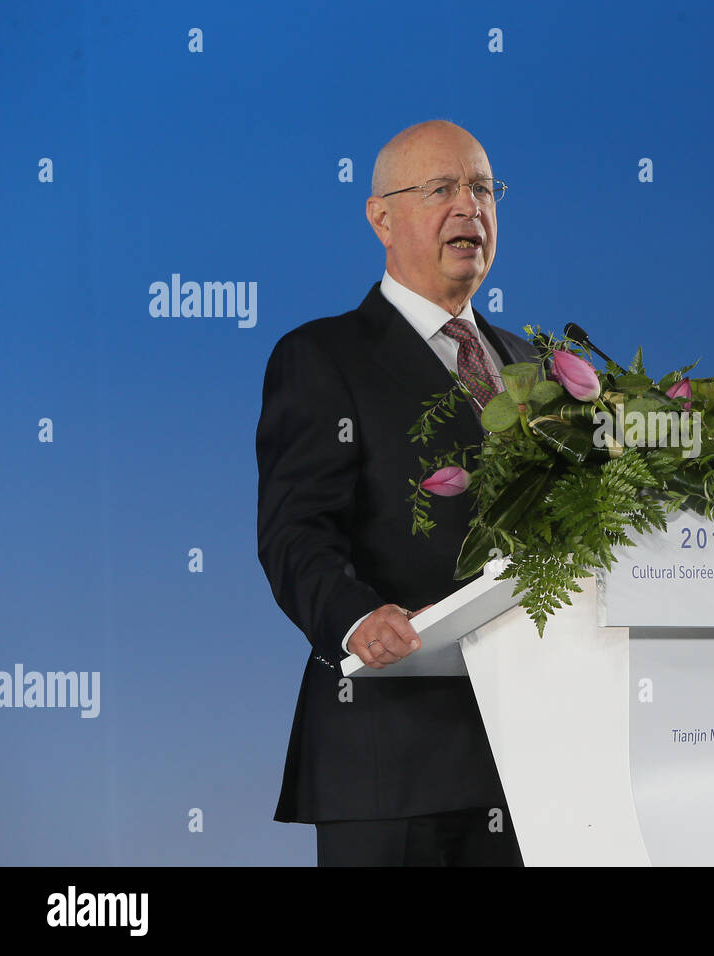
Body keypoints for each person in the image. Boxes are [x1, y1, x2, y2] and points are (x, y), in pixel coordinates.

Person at [255, 120, 533, 866]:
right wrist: (355, 618)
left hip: (531, 758)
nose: (468, 208)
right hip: (389, 754)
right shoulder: (322, 357)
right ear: (381, 218)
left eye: (482, 188)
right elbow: (295, 534)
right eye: (441, 189)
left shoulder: (531, 364)